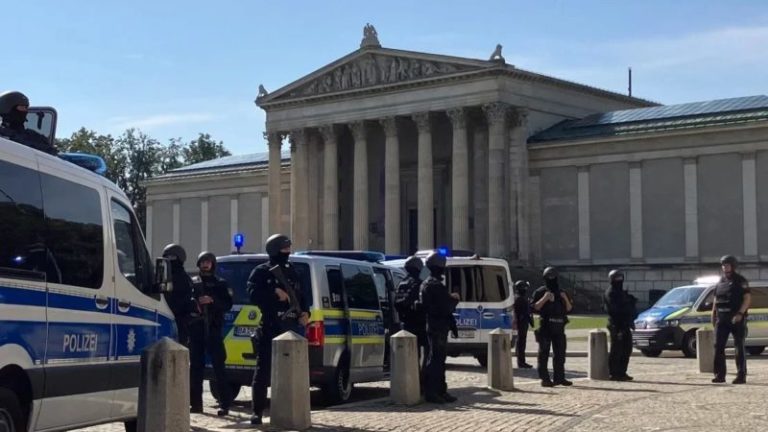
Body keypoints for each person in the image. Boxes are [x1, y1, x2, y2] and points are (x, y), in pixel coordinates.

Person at [248, 234, 310, 425]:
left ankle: (290, 408)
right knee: (263, 370)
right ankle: (257, 411)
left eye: (288, 249)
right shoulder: (262, 272)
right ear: (274, 250)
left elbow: (301, 295)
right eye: (284, 249)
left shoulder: (292, 271)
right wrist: (274, 292)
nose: (287, 253)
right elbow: (253, 295)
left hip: (291, 326)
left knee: (293, 371)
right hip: (270, 325)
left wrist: (306, 313)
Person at [189, 251, 233, 416]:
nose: (205, 265)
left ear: (213, 264)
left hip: (213, 328)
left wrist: (212, 301)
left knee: (219, 367)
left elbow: (228, 304)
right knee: (196, 368)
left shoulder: (220, 284)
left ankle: (224, 404)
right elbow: (187, 302)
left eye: (208, 262)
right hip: (197, 329)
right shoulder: (193, 283)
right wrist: (195, 304)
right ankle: (196, 404)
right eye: (203, 262)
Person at [420, 251, 460, 404]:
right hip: (437, 327)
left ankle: (441, 391)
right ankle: (433, 391)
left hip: (436, 326)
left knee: (439, 360)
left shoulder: (429, 283)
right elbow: (445, 306)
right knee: (435, 360)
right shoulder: (434, 285)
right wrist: (453, 298)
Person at [712, 255, 751, 384]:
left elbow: (747, 299)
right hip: (721, 319)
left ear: (733, 266)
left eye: (727, 265)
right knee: (718, 346)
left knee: (739, 346)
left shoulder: (740, 280)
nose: (725, 267)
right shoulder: (720, 281)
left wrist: (740, 313)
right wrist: (713, 315)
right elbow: (716, 300)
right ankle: (720, 375)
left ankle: (741, 375)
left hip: (736, 318)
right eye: (723, 265)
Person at [531, 266, 573, 387]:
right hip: (546, 327)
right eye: (549, 277)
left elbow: (569, 308)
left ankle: (559, 378)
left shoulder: (562, 292)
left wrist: (564, 297)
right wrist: (545, 298)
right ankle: (545, 379)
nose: (551, 279)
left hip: (559, 327)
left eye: (553, 277)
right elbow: (535, 307)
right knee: (543, 354)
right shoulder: (540, 292)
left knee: (560, 354)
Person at [394, 256, 428, 385]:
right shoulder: (418, 282)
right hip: (420, 324)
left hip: (406, 324)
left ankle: (413, 382)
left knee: (411, 357)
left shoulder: (402, 282)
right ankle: (422, 382)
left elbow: (396, 302)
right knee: (427, 354)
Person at [603, 269, 638, 381]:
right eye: (616, 278)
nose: (619, 281)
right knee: (616, 349)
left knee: (627, 349)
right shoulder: (610, 293)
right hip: (616, 324)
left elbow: (628, 306)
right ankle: (614, 373)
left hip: (625, 324)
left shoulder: (621, 293)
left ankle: (622, 372)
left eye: (620, 278)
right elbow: (614, 309)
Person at [0, 90, 57, 155]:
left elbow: (50, 153)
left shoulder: (34, 136)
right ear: (7, 109)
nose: (25, 111)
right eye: (22, 107)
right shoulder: (2, 133)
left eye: (26, 107)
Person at [162, 243, 195, 347]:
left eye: (172, 257)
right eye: (166, 258)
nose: (169, 260)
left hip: (180, 322)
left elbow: (186, 302)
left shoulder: (184, 279)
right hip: (164, 318)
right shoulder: (162, 277)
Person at [513, 280, 534, 369]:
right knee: (521, 343)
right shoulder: (520, 299)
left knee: (521, 342)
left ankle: (521, 361)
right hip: (521, 323)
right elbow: (523, 312)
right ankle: (521, 361)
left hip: (521, 322)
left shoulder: (517, 297)